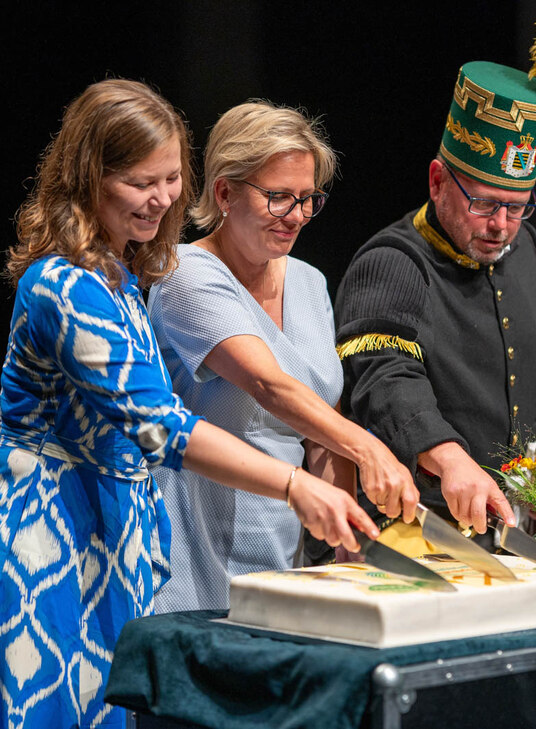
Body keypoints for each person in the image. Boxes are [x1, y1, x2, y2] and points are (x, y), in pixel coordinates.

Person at [0, 79, 378, 729]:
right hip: (38, 550)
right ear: (90, 179)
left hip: (99, 545)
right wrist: (294, 486)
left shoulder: (119, 275)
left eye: (170, 178)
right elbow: (159, 425)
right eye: (141, 182)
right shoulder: (62, 285)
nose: (162, 197)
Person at [146, 101, 419, 612]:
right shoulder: (185, 273)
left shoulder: (311, 283)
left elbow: (321, 422)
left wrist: (346, 540)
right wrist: (370, 448)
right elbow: (269, 387)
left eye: (308, 198)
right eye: (278, 198)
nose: (297, 216)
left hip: (280, 550)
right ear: (224, 192)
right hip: (192, 550)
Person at [334, 60, 536, 539]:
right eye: (483, 203)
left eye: (518, 206)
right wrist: (449, 457)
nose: (501, 225)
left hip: (513, 530)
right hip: (415, 530)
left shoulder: (526, 248)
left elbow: (534, 373)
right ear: (438, 181)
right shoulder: (394, 261)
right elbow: (385, 379)